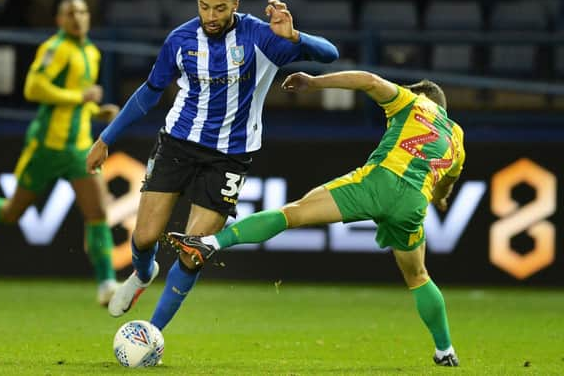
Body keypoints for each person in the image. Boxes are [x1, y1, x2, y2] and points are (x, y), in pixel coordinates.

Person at [86, 0, 338, 330]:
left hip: (230, 156)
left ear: (236, 4)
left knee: (193, 254)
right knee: (143, 238)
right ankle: (143, 275)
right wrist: (105, 139)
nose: (210, 16)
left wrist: (296, 36)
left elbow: (330, 54)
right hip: (178, 142)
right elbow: (148, 93)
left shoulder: (260, 36)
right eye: (204, 7)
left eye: (220, 8)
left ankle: (151, 334)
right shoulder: (181, 39)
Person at [167, 70, 464, 367]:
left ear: (424, 96)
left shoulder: (413, 102)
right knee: (418, 276)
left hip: (378, 182)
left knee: (293, 213)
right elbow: (446, 183)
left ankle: (211, 242)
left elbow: (369, 81)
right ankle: (445, 350)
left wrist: (315, 83)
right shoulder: (456, 137)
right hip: (413, 203)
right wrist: (439, 199)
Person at [0, 0, 121, 307]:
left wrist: (95, 111)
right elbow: (33, 88)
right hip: (46, 147)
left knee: (98, 212)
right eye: (69, 12)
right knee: (12, 212)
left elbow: (74, 102)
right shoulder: (54, 48)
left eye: (82, 11)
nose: (77, 17)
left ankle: (106, 284)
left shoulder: (91, 52)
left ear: (89, 17)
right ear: (59, 20)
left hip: (78, 148)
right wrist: (79, 96)